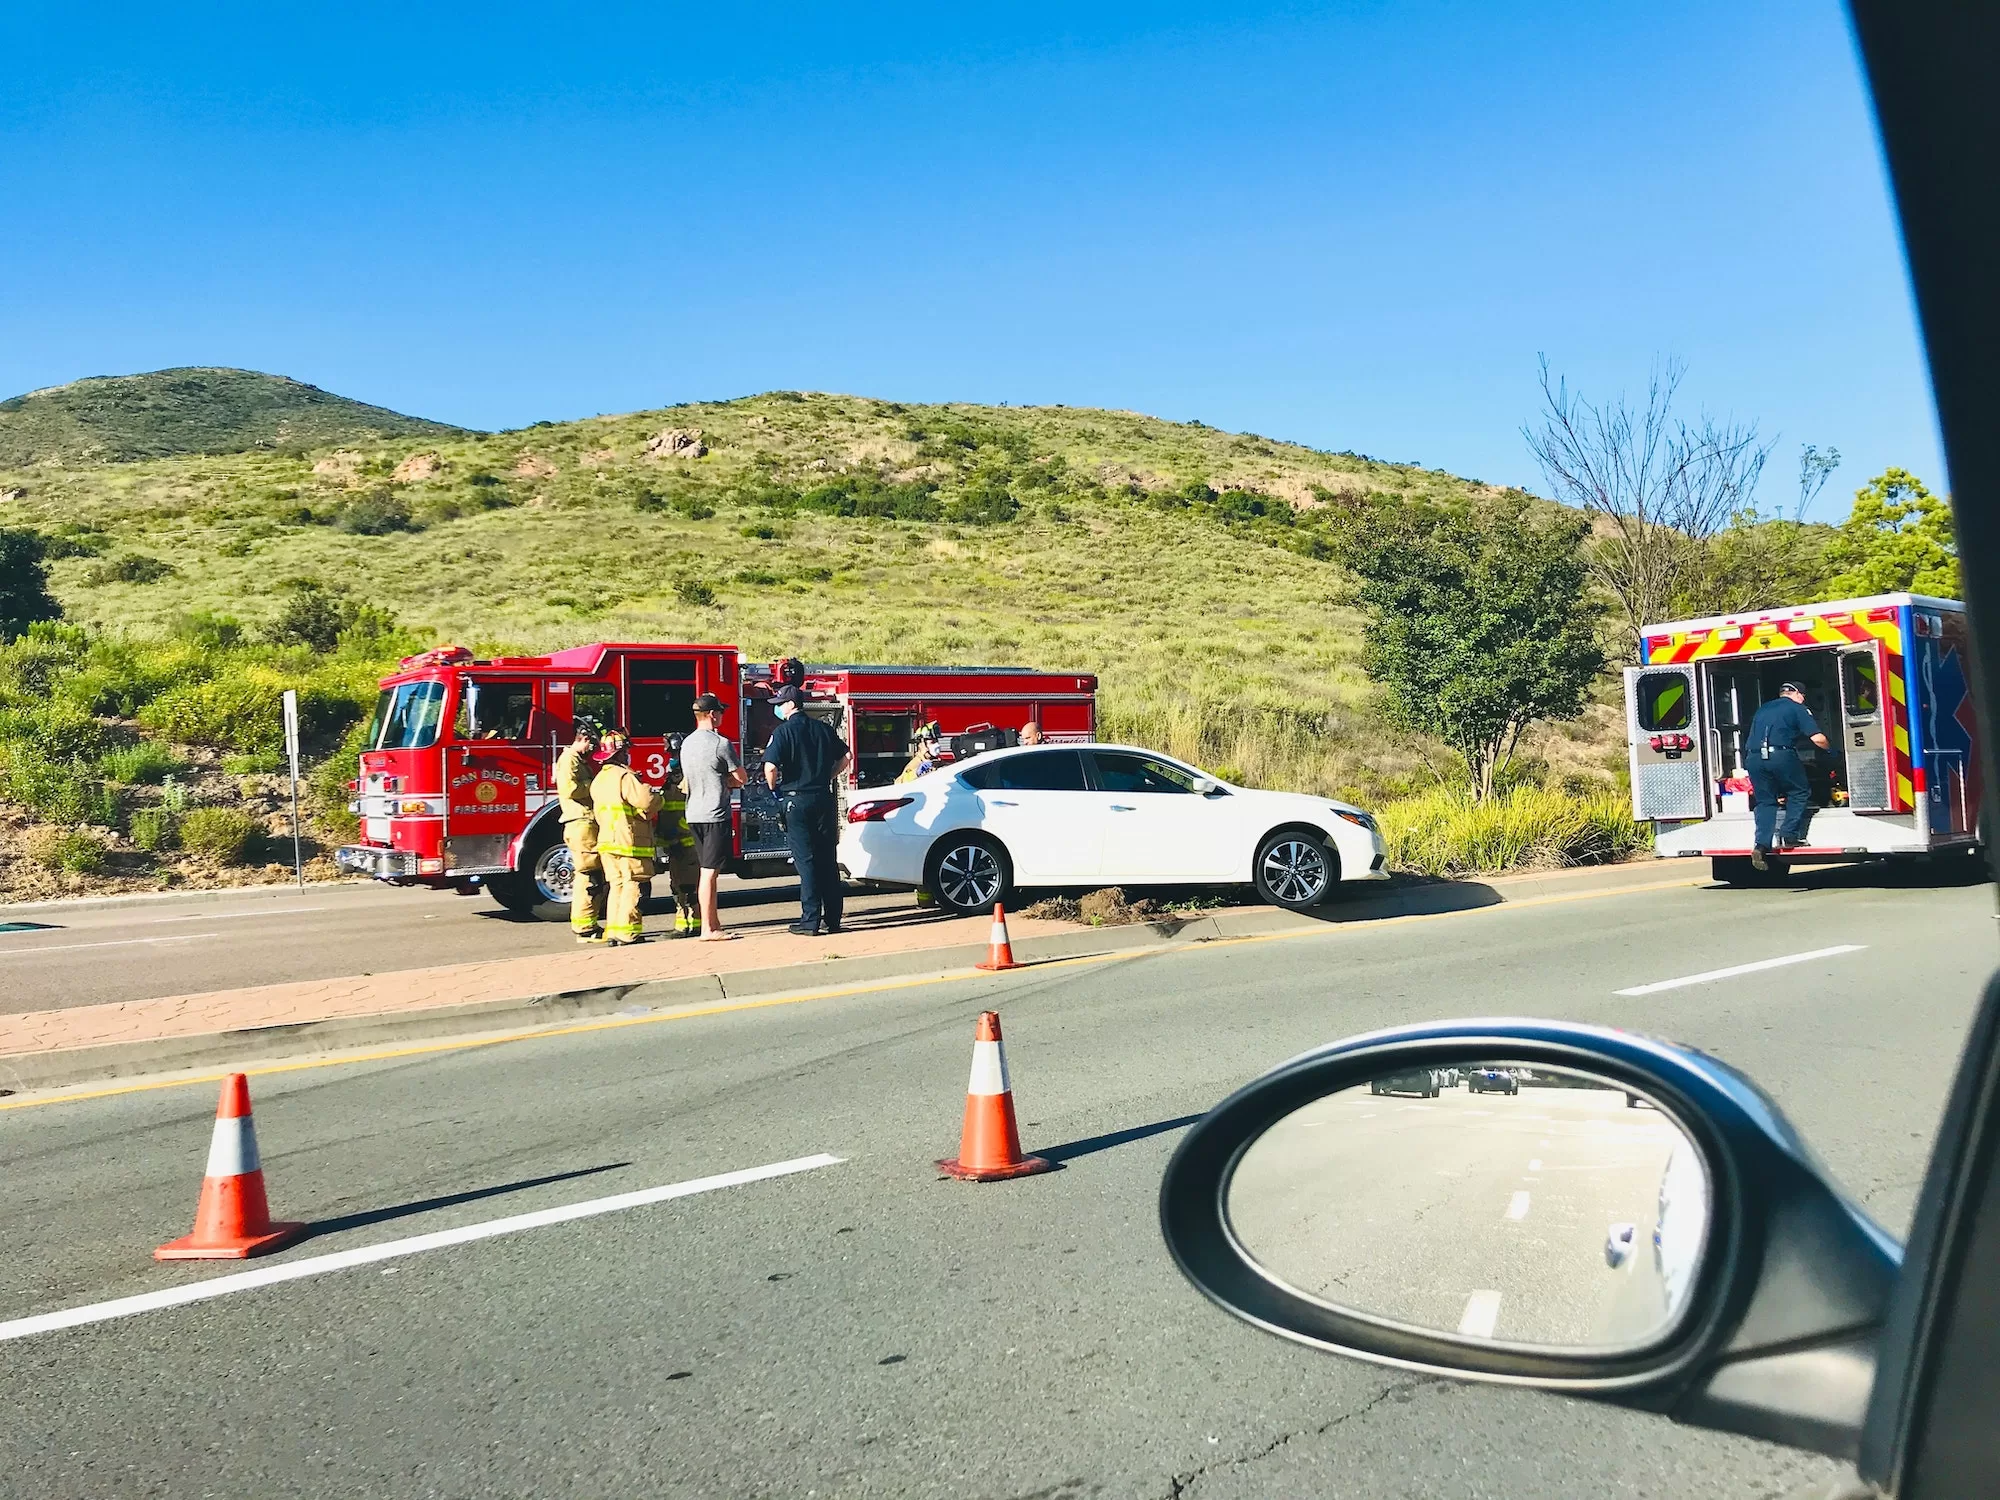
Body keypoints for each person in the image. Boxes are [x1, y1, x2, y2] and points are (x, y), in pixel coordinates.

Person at [761, 684, 850, 935]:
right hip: (823, 798)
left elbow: (770, 767)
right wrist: (827, 777)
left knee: (807, 862)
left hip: (796, 801)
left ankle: (810, 921)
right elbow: (847, 757)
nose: (777, 708)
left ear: (790, 705)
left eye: (780, 704)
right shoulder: (823, 729)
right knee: (827, 860)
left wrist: (775, 792)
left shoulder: (782, 732)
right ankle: (833, 919)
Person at [680, 693, 746, 940]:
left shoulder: (687, 743)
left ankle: (714, 923)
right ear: (712, 715)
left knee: (706, 870)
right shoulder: (721, 744)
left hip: (693, 813)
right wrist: (724, 780)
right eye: (720, 712)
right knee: (709, 872)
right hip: (715, 814)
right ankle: (708, 929)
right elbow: (741, 778)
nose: (721, 716)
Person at [588, 728, 663, 945]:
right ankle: (629, 934)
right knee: (633, 885)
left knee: (616, 886)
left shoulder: (599, 779)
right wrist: (658, 798)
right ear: (620, 754)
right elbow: (646, 802)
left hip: (607, 843)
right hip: (629, 842)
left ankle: (613, 932)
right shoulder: (625, 777)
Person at [1744, 680, 1831, 869]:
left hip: (1754, 758)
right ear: (1798, 694)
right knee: (1799, 792)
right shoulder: (1797, 708)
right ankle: (1789, 835)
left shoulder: (1763, 709)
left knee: (1765, 801)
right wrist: (1831, 751)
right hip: (1781, 755)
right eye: (1803, 696)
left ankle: (1761, 845)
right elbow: (1817, 738)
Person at [553, 719, 607, 942]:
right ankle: (586, 929)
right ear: (582, 739)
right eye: (591, 744)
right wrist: (595, 785)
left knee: (592, 875)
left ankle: (588, 924)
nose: (592, 750)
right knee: (590, 876)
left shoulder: (575, 760)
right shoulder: (569, 760)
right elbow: (571, 788)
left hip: (584, 823)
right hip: (580, 823)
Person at [659, 735, 700, 936]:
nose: (671, 759)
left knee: (688, 885)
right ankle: (684, 925)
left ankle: (692, 926)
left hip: (687, 843)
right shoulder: (672, 782)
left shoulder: (687, 781)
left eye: (674, 754)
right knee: (678, 885)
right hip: (677, 844)